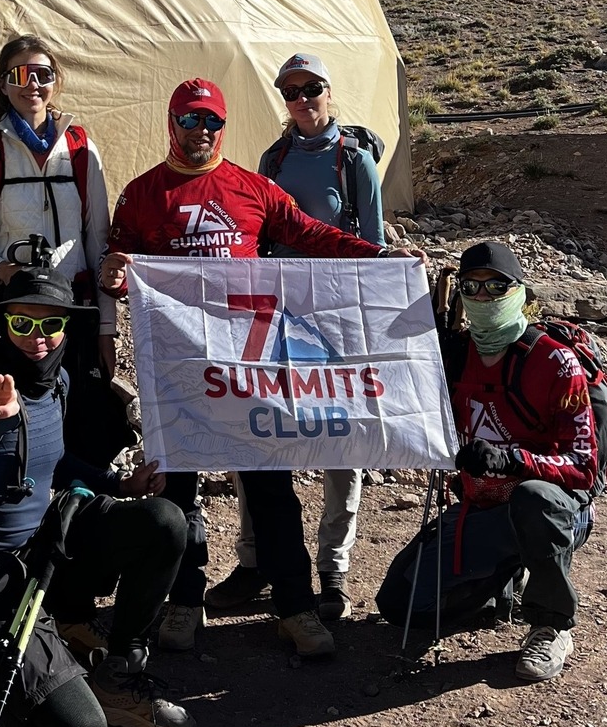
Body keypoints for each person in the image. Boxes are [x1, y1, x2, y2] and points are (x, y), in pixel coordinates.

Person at [100, 77, 418, 659]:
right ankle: (184, 600)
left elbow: (308, 234)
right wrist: (114, 274)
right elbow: (117, 264)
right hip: (179, 369)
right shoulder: (142, 194)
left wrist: (379, 257)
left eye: (211, 121)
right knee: (180, 488)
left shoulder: (251, 187)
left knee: (270, 486)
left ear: (223, 125)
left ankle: (295, 607)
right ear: (171, 122)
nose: (201, 130)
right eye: (189, 119)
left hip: (248, 366)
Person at [0, 268, 195, 727]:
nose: (36, 338)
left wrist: (118, 485)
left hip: (44, 544)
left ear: (66, 327)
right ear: (3, 324)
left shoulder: (55, 380)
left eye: (50, 324)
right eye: (22, 323)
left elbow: (51, 458)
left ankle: (116, 673)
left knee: (162, 522)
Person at [209, 52, 386, 624]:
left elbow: (372, 243)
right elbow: (262, 236)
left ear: (329, 91)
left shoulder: (353, 159)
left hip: (337, 312)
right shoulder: (275, 158)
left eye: (311, 88)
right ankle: (256, 558)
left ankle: (334, 570)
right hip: (281, 312)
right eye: (291, 91)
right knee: (262, 426)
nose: (302, 99)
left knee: (341, 437)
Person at [376, 241, 598, 682]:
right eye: (471, 287)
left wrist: (511, 460)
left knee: (534, 499)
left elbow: (584, 467)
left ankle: (551, 623)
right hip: (482, 506)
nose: (483, 296)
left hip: (554, 509)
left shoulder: (555, 362)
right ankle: (504, 579)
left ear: (520, 292)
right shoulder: (457, 355)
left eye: (497, 286)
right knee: (402, 604)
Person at [0, 35, 129, 466]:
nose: (32, 84)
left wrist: (106, 328)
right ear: (2, 84)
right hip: (11, 315)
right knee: (15, 428)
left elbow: (98, 240)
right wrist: (2, 272)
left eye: (43, 74)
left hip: (70, 313)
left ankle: (80, 504)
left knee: (79, 424)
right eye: (20, 74)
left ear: (56, 81)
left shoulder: (81, 149)